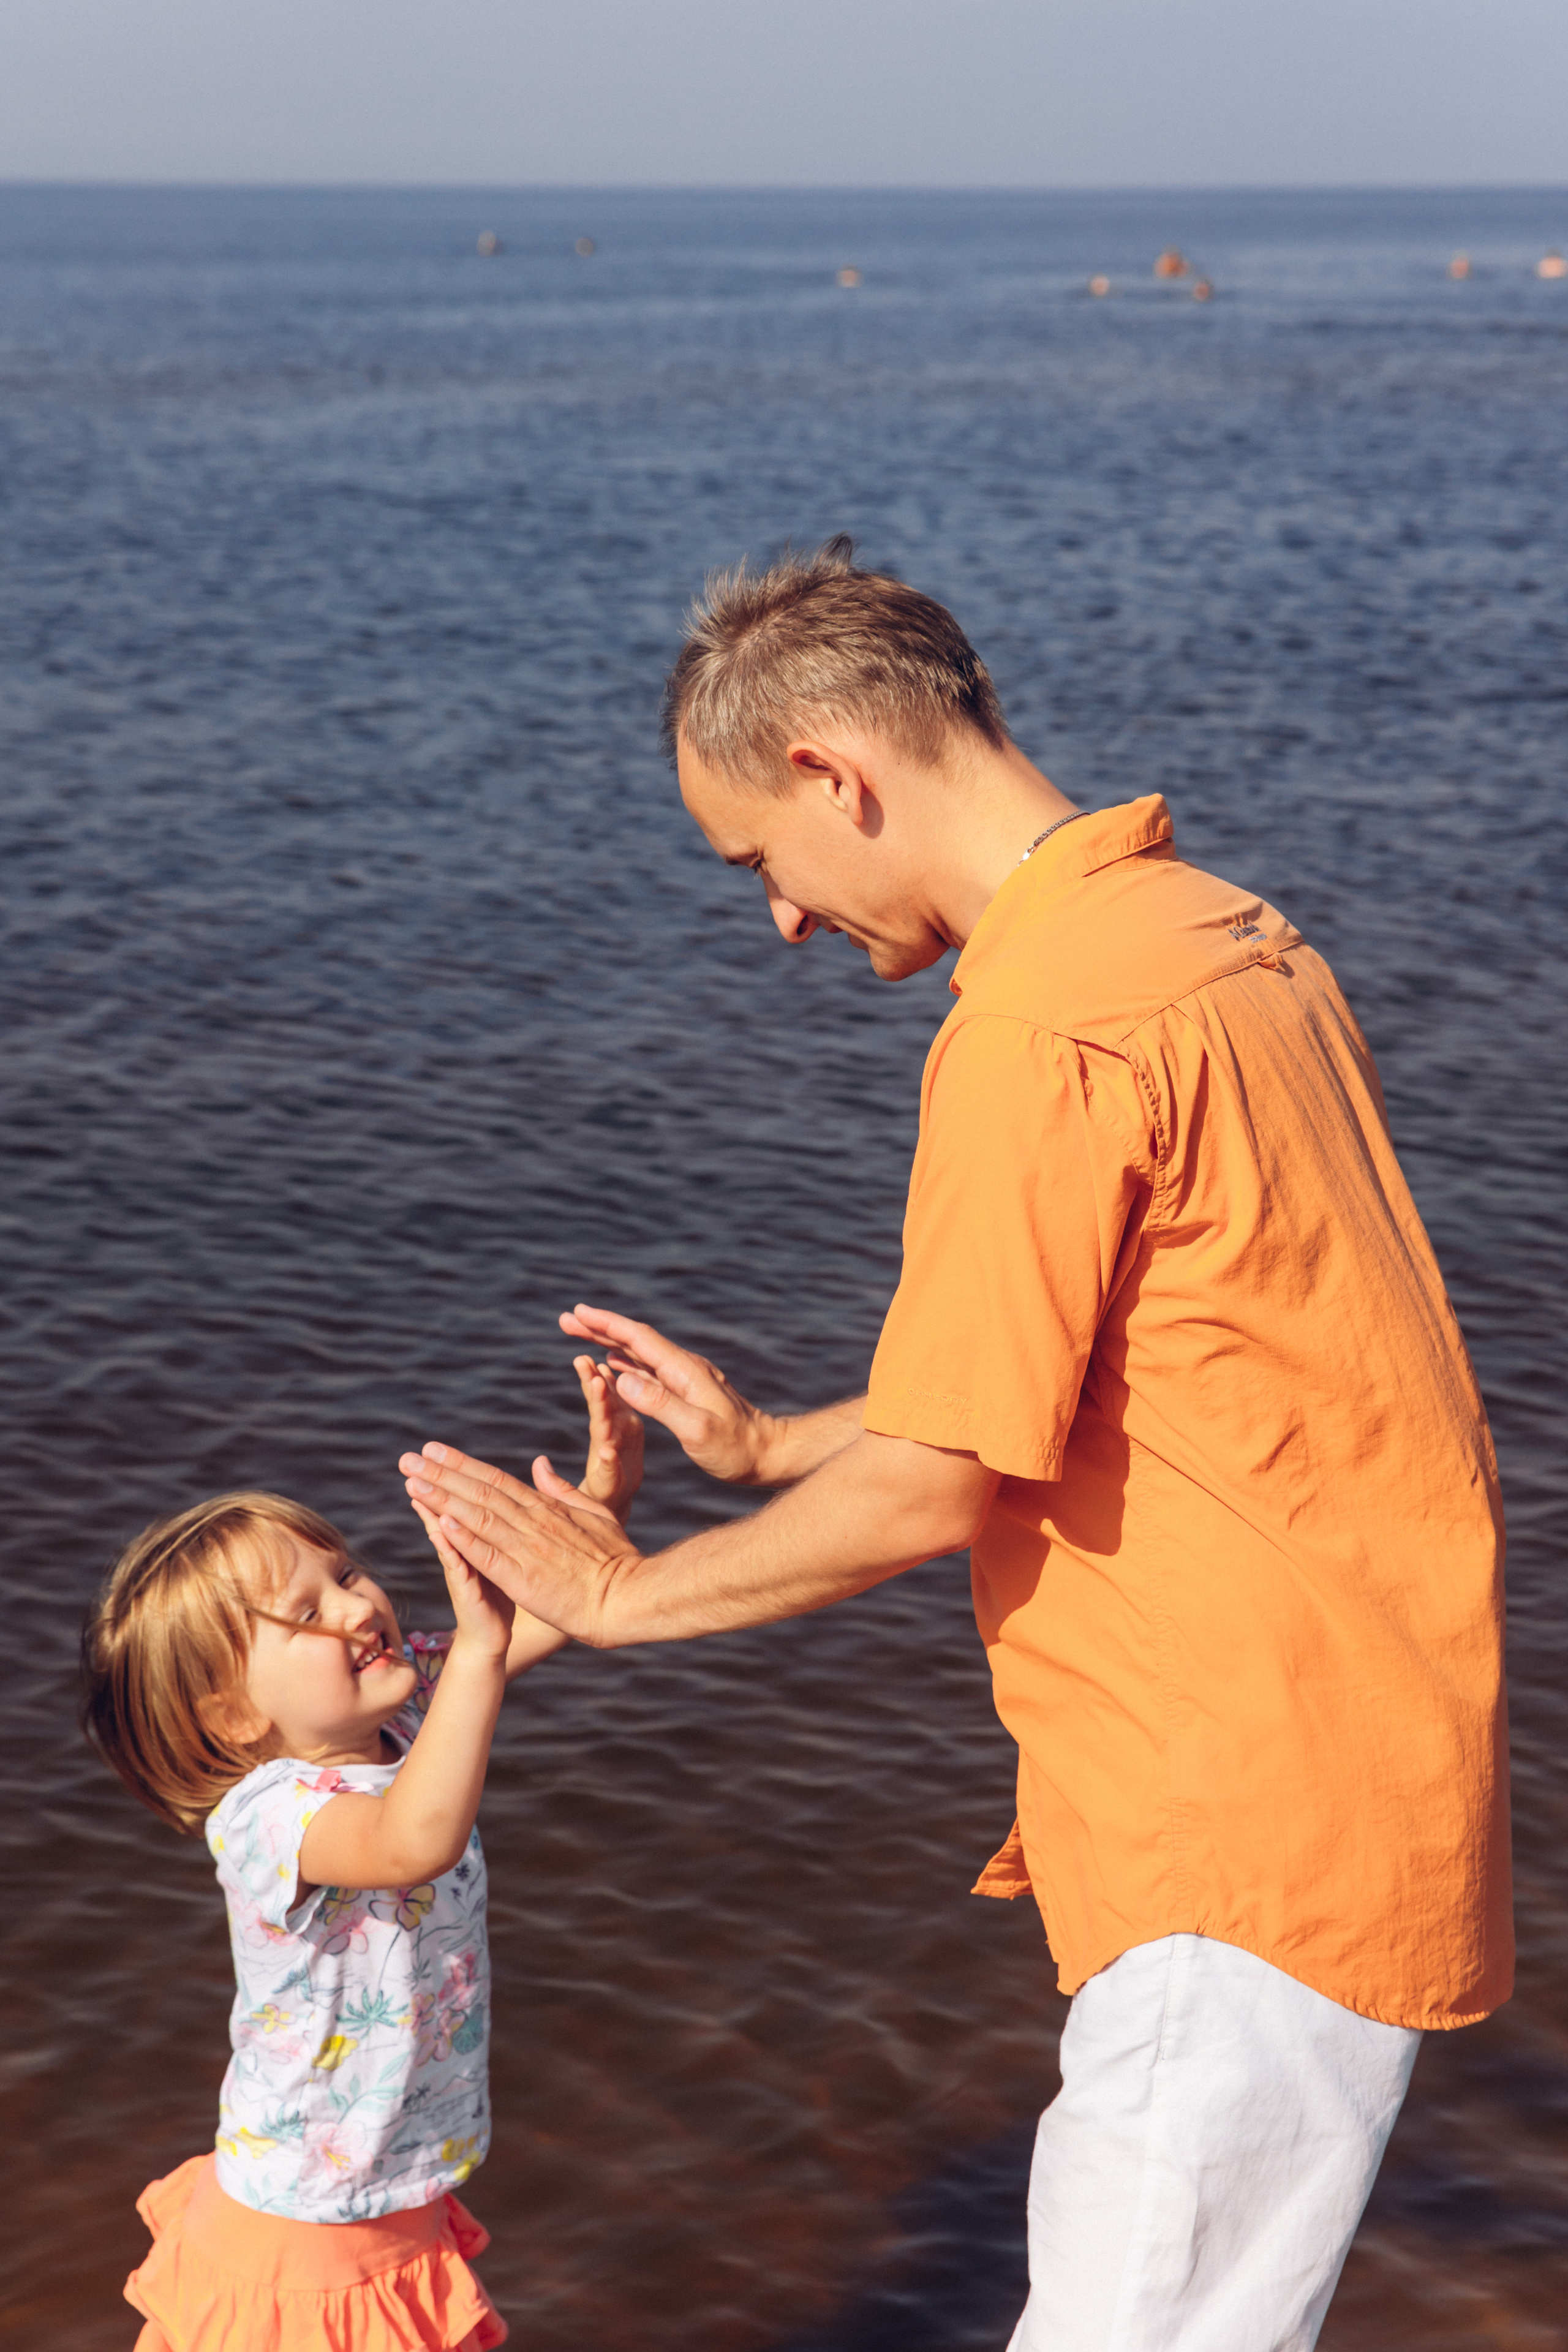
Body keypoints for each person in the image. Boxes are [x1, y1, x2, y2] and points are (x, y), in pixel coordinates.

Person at [401, 538, 1512, 2350]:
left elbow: (942, 1482)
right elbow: (1137, 1366)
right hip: (1343, 1761)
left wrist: (623, 1594)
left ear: (835, 774)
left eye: (759, 860)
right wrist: (770, 1445)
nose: (777, 917)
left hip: (1238, 1825)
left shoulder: (1042, 1027)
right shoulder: (1218, 932)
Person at [81, 1363, 641, 2352]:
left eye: (345, 1572)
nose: (354, 1605)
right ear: (233, 1713)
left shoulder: (400, 1717)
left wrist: (600, 1504)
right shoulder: (272, 1815)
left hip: (388, 2201)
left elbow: (545, 1617)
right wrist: (470, 1655)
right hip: (300, 2241)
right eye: (306, 1613)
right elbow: (410, 1843)